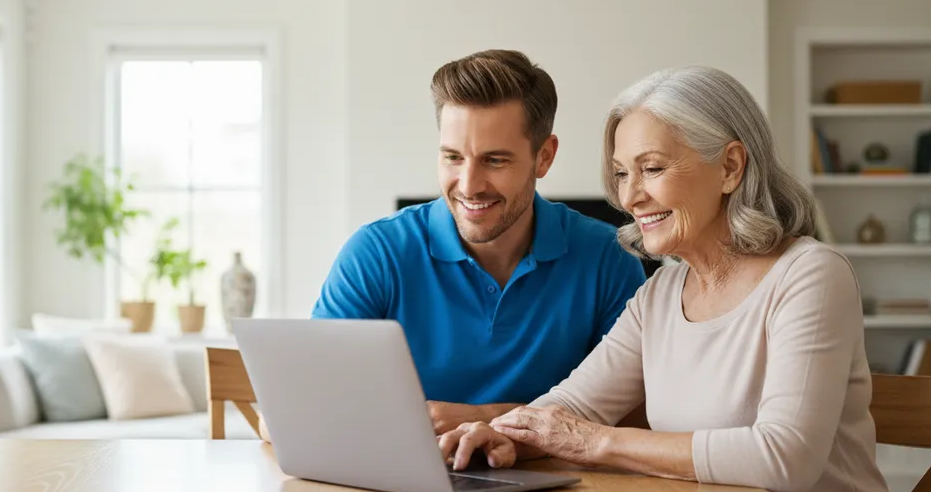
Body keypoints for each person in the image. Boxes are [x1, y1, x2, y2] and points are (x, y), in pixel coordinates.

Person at [439, 65, 906, 492]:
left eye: (653, 168)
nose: (630, 196)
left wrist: (598, 442)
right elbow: (575, 405)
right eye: (622, 173)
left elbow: (784, 459)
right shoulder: (661, 292)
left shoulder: (810, 274)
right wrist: (498, 436)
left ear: (730, 167)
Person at [259, 50, 647, 442]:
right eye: (452, 157)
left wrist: (484, 418)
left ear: (543, 157)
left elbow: (634, 416)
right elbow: (287, 415)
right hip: (407, 490)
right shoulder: (377, 253)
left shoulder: (608, 258)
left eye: (494, 160)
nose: (468, 184)